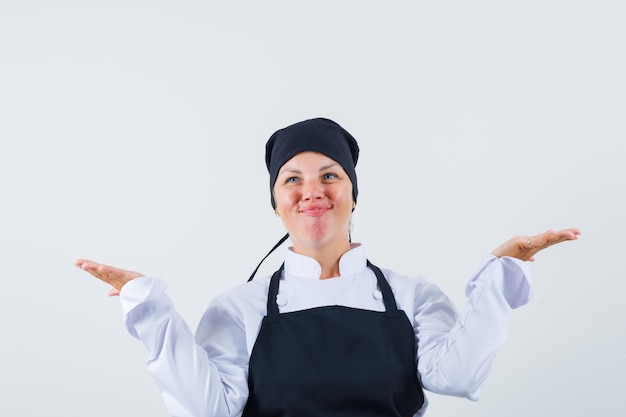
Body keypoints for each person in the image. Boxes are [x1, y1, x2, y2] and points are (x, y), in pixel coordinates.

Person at [76, 118, 580, 417]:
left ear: (353, 194)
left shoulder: (412, 297)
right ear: (275, 203)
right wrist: (150, 309)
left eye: (329, 175)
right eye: (291, 179)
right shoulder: (239, 308)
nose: (311, 191)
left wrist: (501, 275)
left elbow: (459, 376)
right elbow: (212, 407)